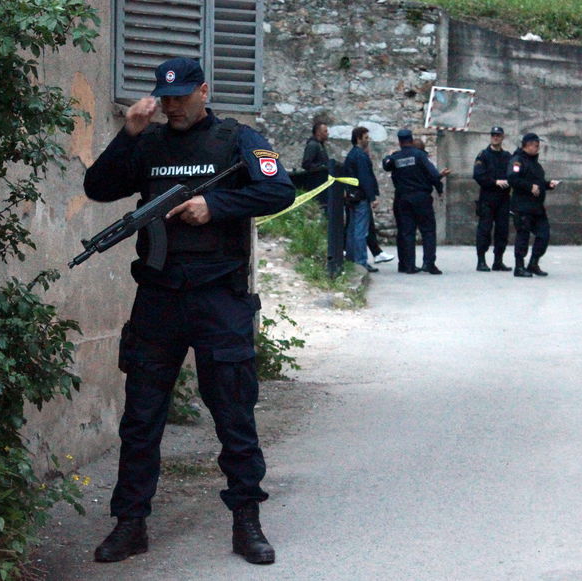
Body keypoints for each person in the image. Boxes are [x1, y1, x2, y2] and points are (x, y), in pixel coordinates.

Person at [82, 57, 295, 565]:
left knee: (233, 414)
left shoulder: (238, 138)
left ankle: (247, 520)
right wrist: (129, 134)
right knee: (141, 419)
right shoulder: (149, 142)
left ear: (203, 91)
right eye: (165, 97)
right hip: (159, 296)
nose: (172, 105)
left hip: (219, 296)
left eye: (181, 96)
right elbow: (98, 188)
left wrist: (215, 207)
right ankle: (130, 524)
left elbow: (277, 188)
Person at [382, 129, 450, 274]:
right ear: (411, 140)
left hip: (403, 198)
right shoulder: (420, 155)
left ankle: (408, 265)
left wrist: (390, 156)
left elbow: (386, 165)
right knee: (428, 231)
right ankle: (429, 263)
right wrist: (439, 185)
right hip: (421, 198)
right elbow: (433, 174)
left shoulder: (396, 157)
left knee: (407, 232)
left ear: (400, 142)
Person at [507, 133, 560, 277]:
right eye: (535, 145)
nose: (537, 148)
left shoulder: (535, 164)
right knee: (523, 236)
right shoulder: (517, 161)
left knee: (544, 235)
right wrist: (529, 186)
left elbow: (539, 183)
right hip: (522, 207)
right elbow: (512, 178)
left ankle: (533, 263)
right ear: (527, 145)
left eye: (538, 145)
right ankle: (519, 267)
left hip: (537, 208)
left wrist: (548, 184)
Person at [473, 126, 513, 272]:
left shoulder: (507, 156)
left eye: (498, 135)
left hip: (503, 199)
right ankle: (481, 261)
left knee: (502, 231)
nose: (495, 137)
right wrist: (495, 182)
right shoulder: (483, 155)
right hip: (488, 198)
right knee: (484, 230)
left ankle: (498, 261)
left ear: (502, 137)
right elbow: (478, 175)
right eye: (493, 135)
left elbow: (513, 174)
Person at [343, 127, 381, 272]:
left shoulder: (352, 155)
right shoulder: (360, 156)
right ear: (359, 138)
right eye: (365, 137)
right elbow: (365, 178)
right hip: (360, 197)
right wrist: (372, 197)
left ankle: (352, 259)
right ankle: (360, 261)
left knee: (353, 229)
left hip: (353, 197)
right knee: (360, 230)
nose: (368, 140)